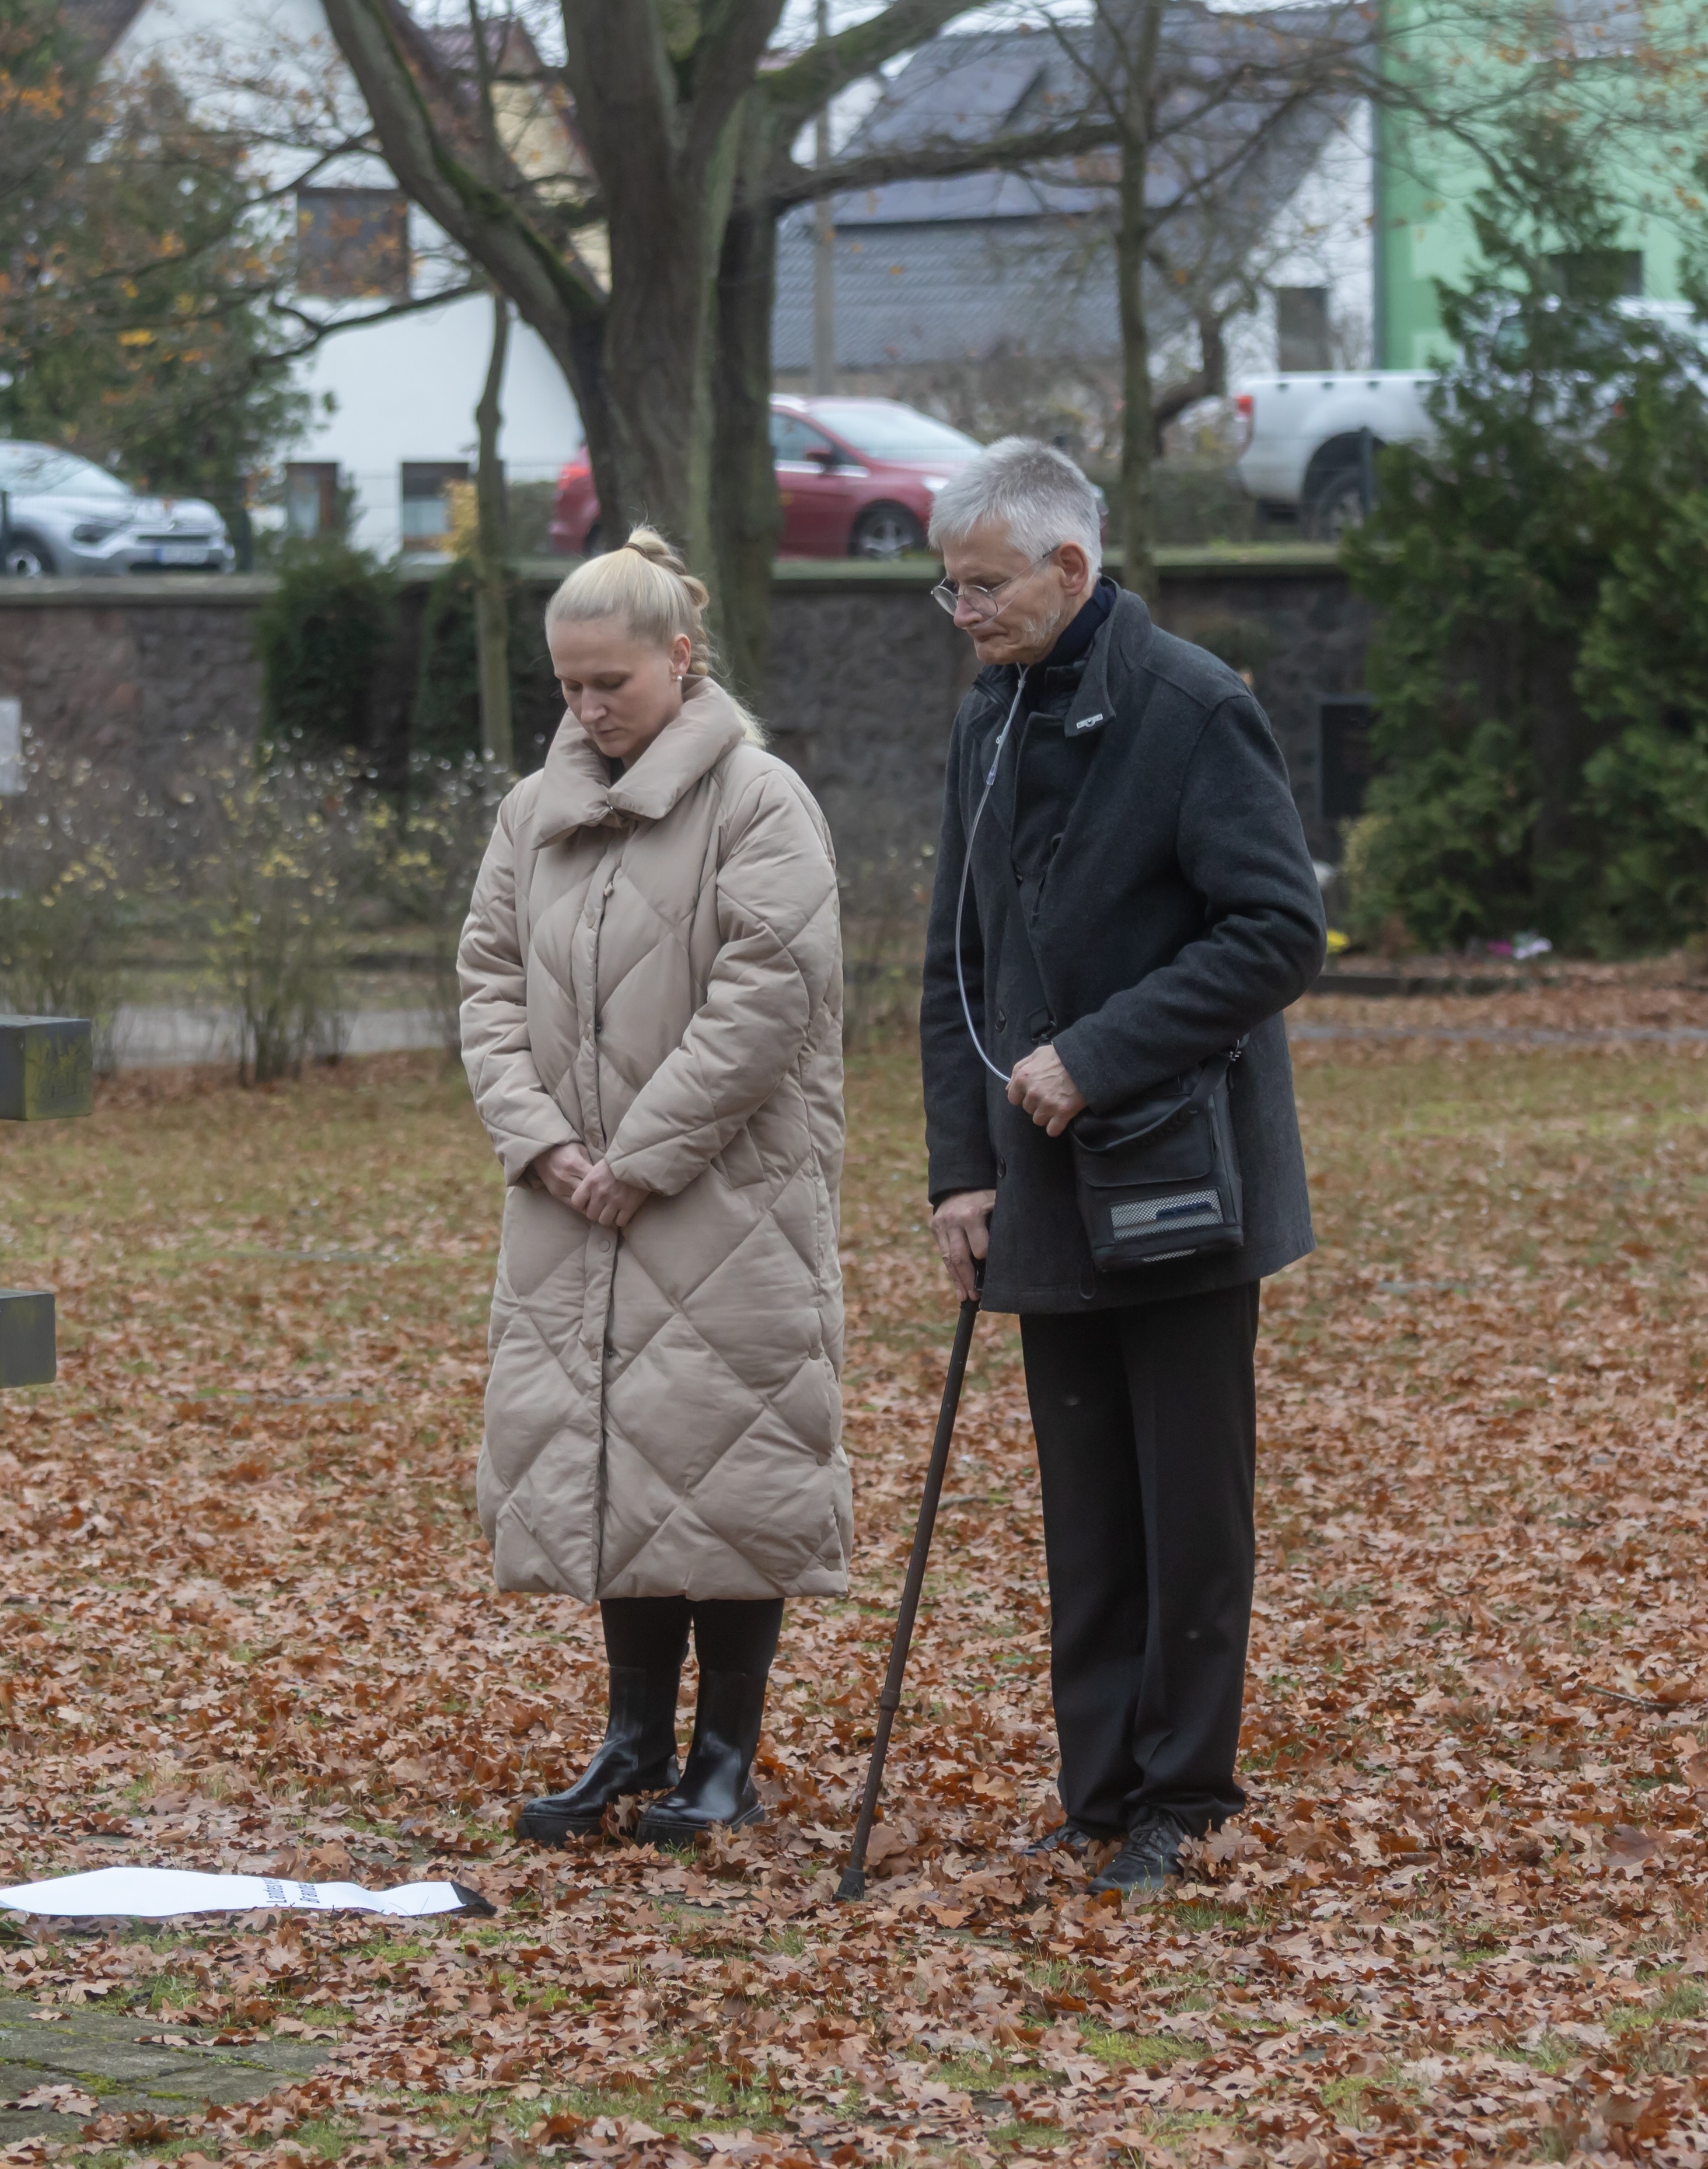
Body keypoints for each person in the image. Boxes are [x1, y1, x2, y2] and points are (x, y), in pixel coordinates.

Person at [916, 440, 1326, 1894]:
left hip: (1182, 1174)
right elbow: (954, 963)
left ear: (1068, 570)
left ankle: (1184, 1794)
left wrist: (1099, 1052)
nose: (959, 611)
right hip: (1034, 1184)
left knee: (1187, 1500)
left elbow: (1277, 932)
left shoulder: (1195, 708)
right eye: (946, 586)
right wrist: (956, 1173)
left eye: (981, 585)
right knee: (1085, 1502)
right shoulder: (986, 718)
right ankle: (1096, 1796)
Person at [457, 526, 849, 1847]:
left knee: (725, 1467)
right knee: (615, 1463)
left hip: (726, 1201)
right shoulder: (532, 813)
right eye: (566, 685)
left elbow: (771, 991)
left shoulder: (759, 799)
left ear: (679, 660)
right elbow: (486, 984)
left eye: (607, 683)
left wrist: (643, 1154)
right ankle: (631, 1739)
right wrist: (541, 1142)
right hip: (573, 1203)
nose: (584, 708)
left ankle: (724, 1752)